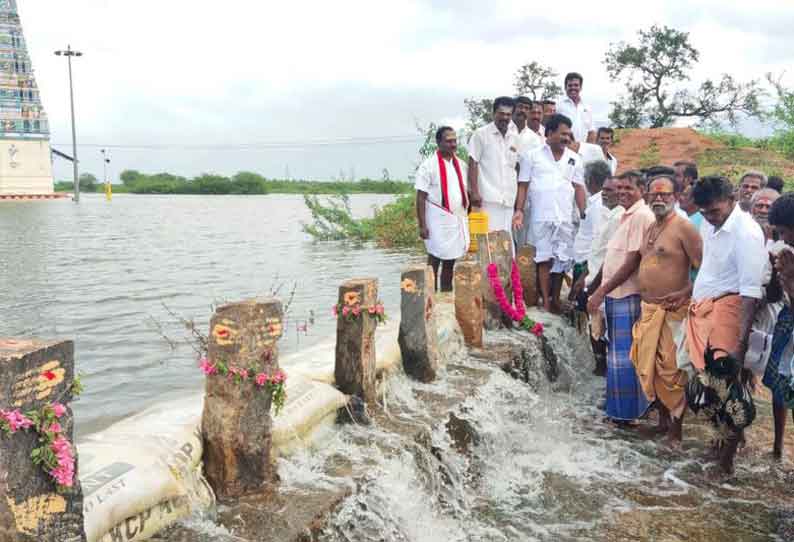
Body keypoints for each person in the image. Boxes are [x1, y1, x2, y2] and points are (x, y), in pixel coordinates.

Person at [682, 175, 766, 474]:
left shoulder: (747, 234)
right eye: (704, 213)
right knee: (710, 387)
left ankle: (726, 462)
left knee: (730, 391)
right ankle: (725, 440)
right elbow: (708, 267)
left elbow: (750, 293)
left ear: (732, 199)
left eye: (715, 212)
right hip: (703, 311)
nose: (710, 218)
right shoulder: (710, 222)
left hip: (730, 312)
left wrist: (740, 345)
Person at [630, 175, 702, 445]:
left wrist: (685, 292)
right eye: (654, 194)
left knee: (672, 372)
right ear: (647, 196)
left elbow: (702, 267)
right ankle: (662, 423)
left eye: (665, 194)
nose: (659, 199)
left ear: (676, 196)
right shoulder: (651, 226)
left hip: (674, 311)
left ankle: (676, 432)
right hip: (649, 310)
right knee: (651, 368)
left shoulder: (684, 228)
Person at [587, 171, 655, 423]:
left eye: (629, 188)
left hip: (628, 294)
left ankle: (627, 414)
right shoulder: (626, 216)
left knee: (626, 358)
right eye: (620, 188)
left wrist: (600, 292)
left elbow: (632, 261)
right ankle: (618, 411)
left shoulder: (641, 216)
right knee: (618, 355)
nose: (623, 192)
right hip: (617, 295)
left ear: (642, 190)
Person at [519, 113, 584, 313]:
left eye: (569, 135)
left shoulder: (574, 159)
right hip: (541, 217)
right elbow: (523, 185)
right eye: (563, 134)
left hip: (564, 217)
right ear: (549, 133)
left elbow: (579, 187)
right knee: (543, 259)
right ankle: (545, 301)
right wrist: (518, 211)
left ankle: (555, 299)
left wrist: (584, 213)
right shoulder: (532, 155)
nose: (567, 138)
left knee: (562, 259)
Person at [580, 177, 625, 376]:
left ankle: (605, 373)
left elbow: (611, 257)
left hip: (606, 283)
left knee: (604, 332)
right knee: (596, 327)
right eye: (603, 189)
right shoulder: (605, 214)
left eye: (609, 190)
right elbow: (596, 250)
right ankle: (602, 372)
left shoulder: (620, 217)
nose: (604, 193)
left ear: (621, 193)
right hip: (595, 277)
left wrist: (595, 287)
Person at [415, 126, 469, 291]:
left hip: (455, 219)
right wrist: (422, 225)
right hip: (436, 220)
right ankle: (430, 294)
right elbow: (420, 197)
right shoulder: (428, 166)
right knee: (434, 257)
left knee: (450, 259)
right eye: (448, 141)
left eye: (455, 140)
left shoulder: (461, 164)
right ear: (439, 142)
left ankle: (446, 294)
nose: (453, 144)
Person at [468, 96, 526, 243]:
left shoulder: (515, 138)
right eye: (501, 113)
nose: (504, 117)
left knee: (506, 244)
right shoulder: (481, 134)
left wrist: (517, 202)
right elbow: (473, 163)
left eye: (508, 114)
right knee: (488, 244)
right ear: (494, 113)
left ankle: (504, 267)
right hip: (487, 200)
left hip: (508, 201)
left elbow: (516, 168)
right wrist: (474, 192)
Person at [764, 193, 794, 459]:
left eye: (785, 232)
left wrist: (790, 280)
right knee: (778, 383)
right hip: (786, 321)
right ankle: (777, 445)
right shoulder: (783, 252)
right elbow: (773, 297)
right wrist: (777, 276)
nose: (782, 238)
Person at [556, 72, 595, 143]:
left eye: (576, 85)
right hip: (564, 149)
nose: (573, 88)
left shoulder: (587, 107)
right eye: (570, 85)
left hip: (583, 150)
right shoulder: (558, 106)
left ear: (581, 87)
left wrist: (587, 150)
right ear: (565, 87)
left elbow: (591, 132)